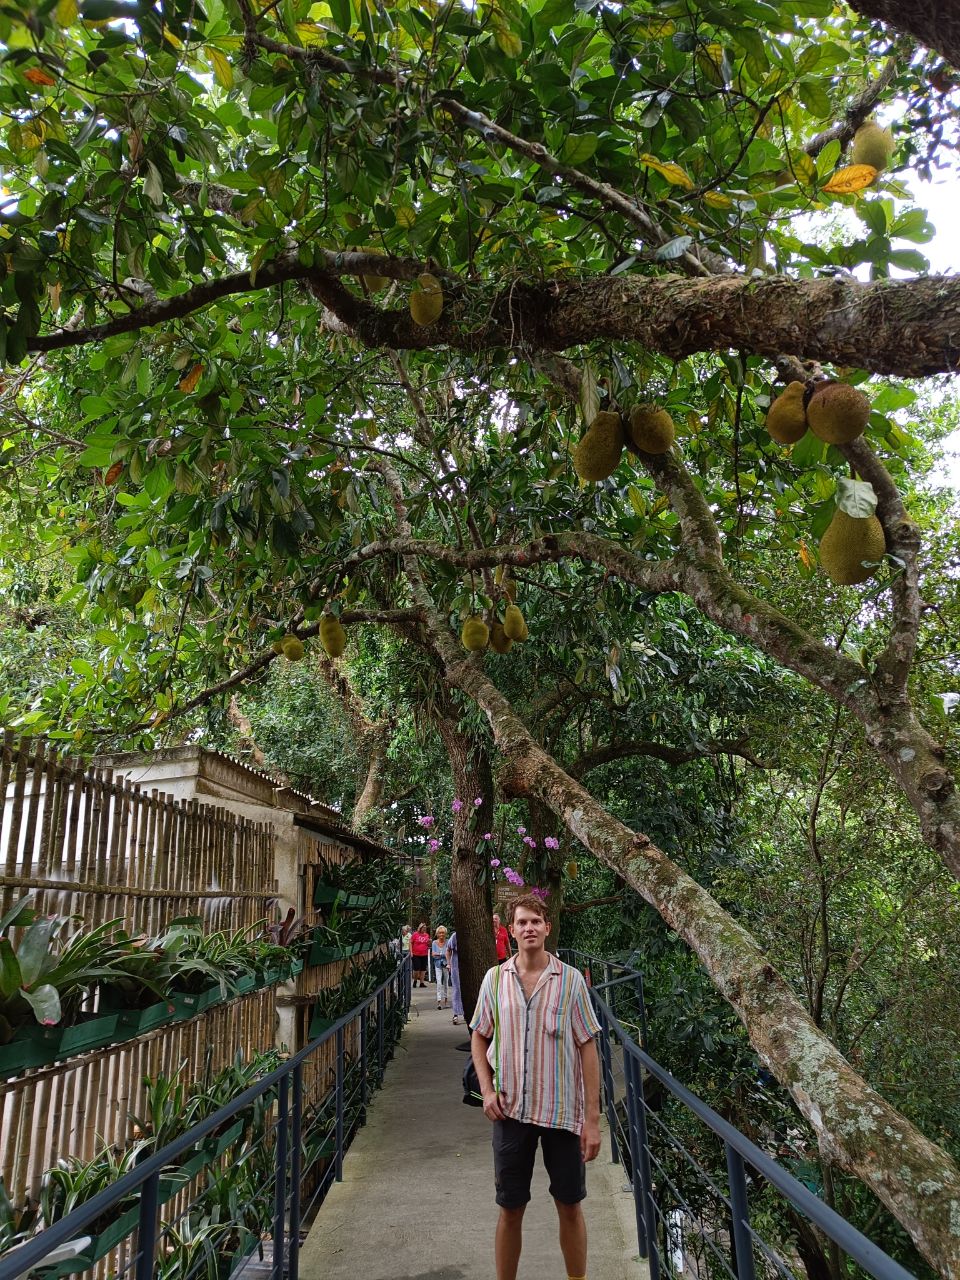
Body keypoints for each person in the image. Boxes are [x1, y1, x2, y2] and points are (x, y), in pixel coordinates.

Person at [470, 894, 601, 1280]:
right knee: (510, 1208)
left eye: (535, 921)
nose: (529, 928)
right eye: (522, 922)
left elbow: (587, 1046)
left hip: (562, 1112)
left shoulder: (570, 981)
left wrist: (592, 1121)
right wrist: (486, 1091)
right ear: (511, 930)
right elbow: (479, 1035)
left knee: (570, 1205)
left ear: (547, 927)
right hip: (511, 1111)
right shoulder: (495, 980)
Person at [445, 929, 464, 1025]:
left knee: (468, 989)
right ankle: (456, 1014)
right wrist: (449, 964)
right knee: (457, 989)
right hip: (456, 965)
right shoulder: (455, 936)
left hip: (468, 965)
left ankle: (467, 1012)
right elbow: (448, 950)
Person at [431, 925, 450, 1009]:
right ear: (437, 934)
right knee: (439, 982)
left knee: (446, 982)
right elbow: (433, 955)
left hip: (446, 965)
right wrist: (443, 954)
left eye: (443, 933)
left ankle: (446, 1001)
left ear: (445, 933)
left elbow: (449, 954)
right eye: (440, 933)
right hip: (438, 965)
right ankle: (439, 1001)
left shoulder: (448, 942)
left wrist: (439, 954)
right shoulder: (434, 943)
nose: (441, 934)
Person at [410, 921, 431, 988]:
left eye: (425, 928)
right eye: (423, 927)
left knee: (423, 969)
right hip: (416, 954)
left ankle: (422, 982)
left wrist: (429, 942)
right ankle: (415, 980)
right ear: (420, 928)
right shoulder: (415, 934)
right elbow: (410, 942)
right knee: (416, 968)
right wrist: (411, 952)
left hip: (424, 954)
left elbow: (428, 944)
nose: (424, 929)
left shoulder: (427, 935)